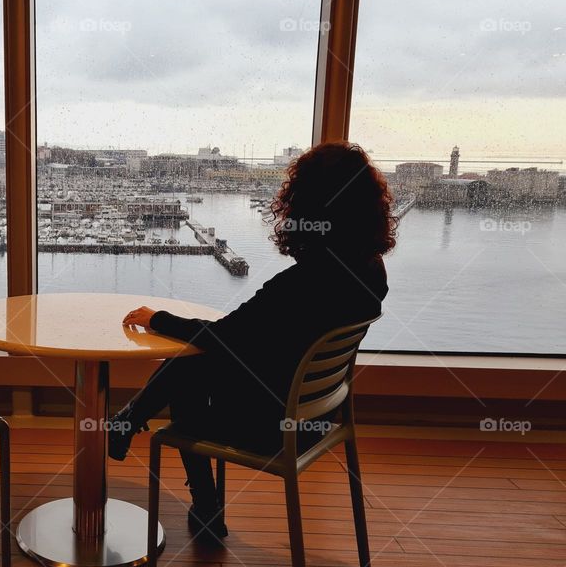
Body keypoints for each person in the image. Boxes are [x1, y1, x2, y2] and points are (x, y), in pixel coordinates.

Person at [112, 141, 396, 543]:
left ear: (306, 207)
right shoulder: (372, 271)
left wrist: (157, 318)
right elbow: (250, 338)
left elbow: (223, 336)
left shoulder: (299, 285)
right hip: (318, 416)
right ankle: (128, 423)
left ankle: (191, 489)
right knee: (203, 361)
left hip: (273, 425)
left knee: (194, 369)